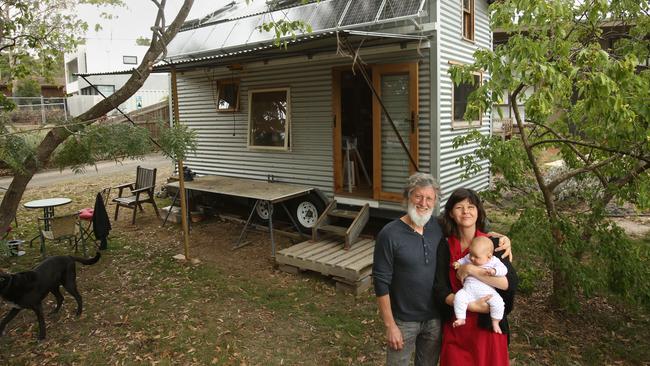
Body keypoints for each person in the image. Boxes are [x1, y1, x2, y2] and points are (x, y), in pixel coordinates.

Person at [372, 174, 512, 365]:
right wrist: (390, 325)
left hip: (436, 319)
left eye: (429, 198)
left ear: (435, 201)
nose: (423, 203)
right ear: (407, 197)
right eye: (418, 196)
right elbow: (380, 282)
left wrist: (503, 239)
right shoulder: (390, 234)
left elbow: (473, 223)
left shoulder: (437, 228)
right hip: (405, 320)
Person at [434, 188, 518, 366]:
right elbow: (439, 290)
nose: (466, 212)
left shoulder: (493, 243)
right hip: (457, 325)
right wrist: (472, 306)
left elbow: (508, 283)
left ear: (478, 211)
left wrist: (471, 270)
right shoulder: (445, 246)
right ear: (450, 212)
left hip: (487, 329)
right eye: (459, 207)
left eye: (471, 206)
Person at [452, 236, 508, 334]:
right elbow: (463, 260)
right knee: (459, 297)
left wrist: (495, 271)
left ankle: (495, 321)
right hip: (468, 290)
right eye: (471, 254)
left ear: (489, 256)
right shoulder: (470, 257)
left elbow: (504, 269)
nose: (472, 258)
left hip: (487, 293)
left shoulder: (494, 261)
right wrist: (458, 263)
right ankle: (461, 317)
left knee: (499, 303)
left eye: (476, 257)